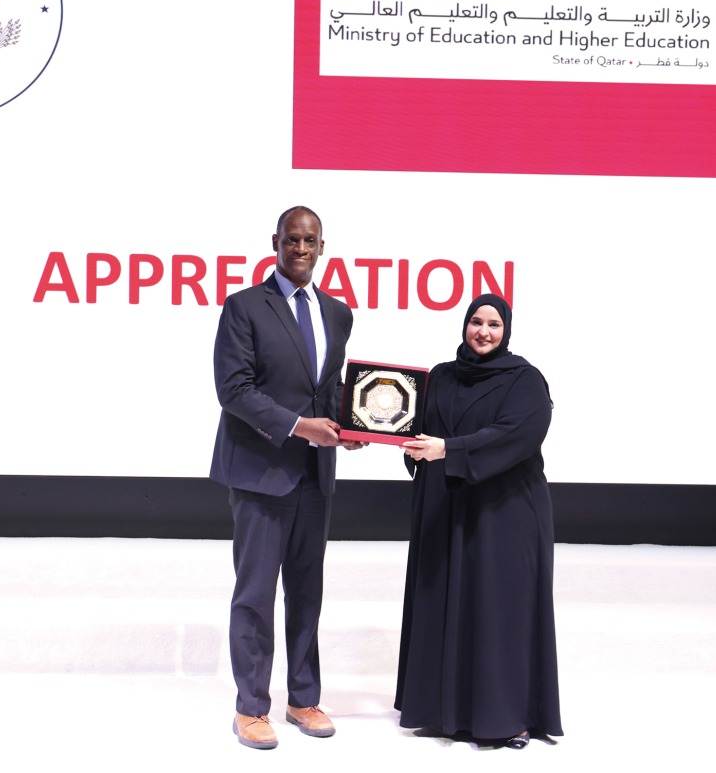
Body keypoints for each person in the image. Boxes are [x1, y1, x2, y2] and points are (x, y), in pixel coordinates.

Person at [210, 206, 361, 750]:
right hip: (262, 473)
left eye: (309, 241)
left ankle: (303, 698)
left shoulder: (338, 313)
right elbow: (234, 389)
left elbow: (331, 391)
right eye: (292, 240)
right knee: (255, 595)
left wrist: (353, 426)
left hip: (316, 477)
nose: (300, 249)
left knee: (306, 593)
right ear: (276, 242)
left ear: (323, 247)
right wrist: (299, 427)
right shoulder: (245, 306)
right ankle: (251, 707)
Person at [397, 293, 563, 748]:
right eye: (476, 322)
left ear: (506, 330)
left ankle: (510, 718)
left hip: (503, 513)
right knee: (443, 602)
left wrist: (448, 450)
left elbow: (515, 435)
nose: (483, 332)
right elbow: (415, 427)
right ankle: (442, 712)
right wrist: (377, 430)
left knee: (499, 612)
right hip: (448, 507)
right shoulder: (440, 376)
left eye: (493, 324)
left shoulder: (525, 381)